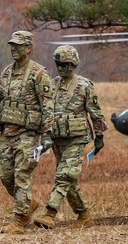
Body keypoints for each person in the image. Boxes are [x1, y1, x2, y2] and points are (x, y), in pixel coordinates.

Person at [32, 45, 106, 230]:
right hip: (58, 138)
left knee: (64, 175)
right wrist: (45, 134)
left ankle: (50, 212)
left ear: (73, 65)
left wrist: (99, 135)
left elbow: (95, 112)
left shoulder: (84, 85)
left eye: (66, 65)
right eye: (59, 64)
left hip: (76, 138)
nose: (63, 68)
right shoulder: (53, 84)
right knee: (69, 179)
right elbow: (46, 111)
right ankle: (84, 215)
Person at [0, 30, 52, 234]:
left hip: (27, 133)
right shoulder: (7, 72)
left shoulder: (38, 73)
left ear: (29, 48)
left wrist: (47, 134)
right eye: (12, 45)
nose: (14, 49)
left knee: (21, 174)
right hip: (7, 132)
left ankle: (19, 220)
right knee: (2, 172)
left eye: (18, 45)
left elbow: (48, 106)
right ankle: (28, 203)